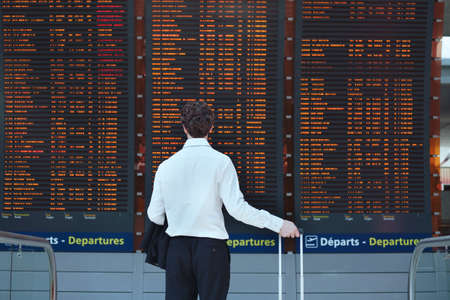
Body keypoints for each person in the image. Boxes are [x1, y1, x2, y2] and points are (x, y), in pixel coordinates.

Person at [147, 100, 300, 300]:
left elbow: (154, 215)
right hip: (211, 249)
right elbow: (237, 209)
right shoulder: (221, 162)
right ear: (211, 127)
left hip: (177, 250)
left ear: (184, 128)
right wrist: (278, 224)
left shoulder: (165, 167)